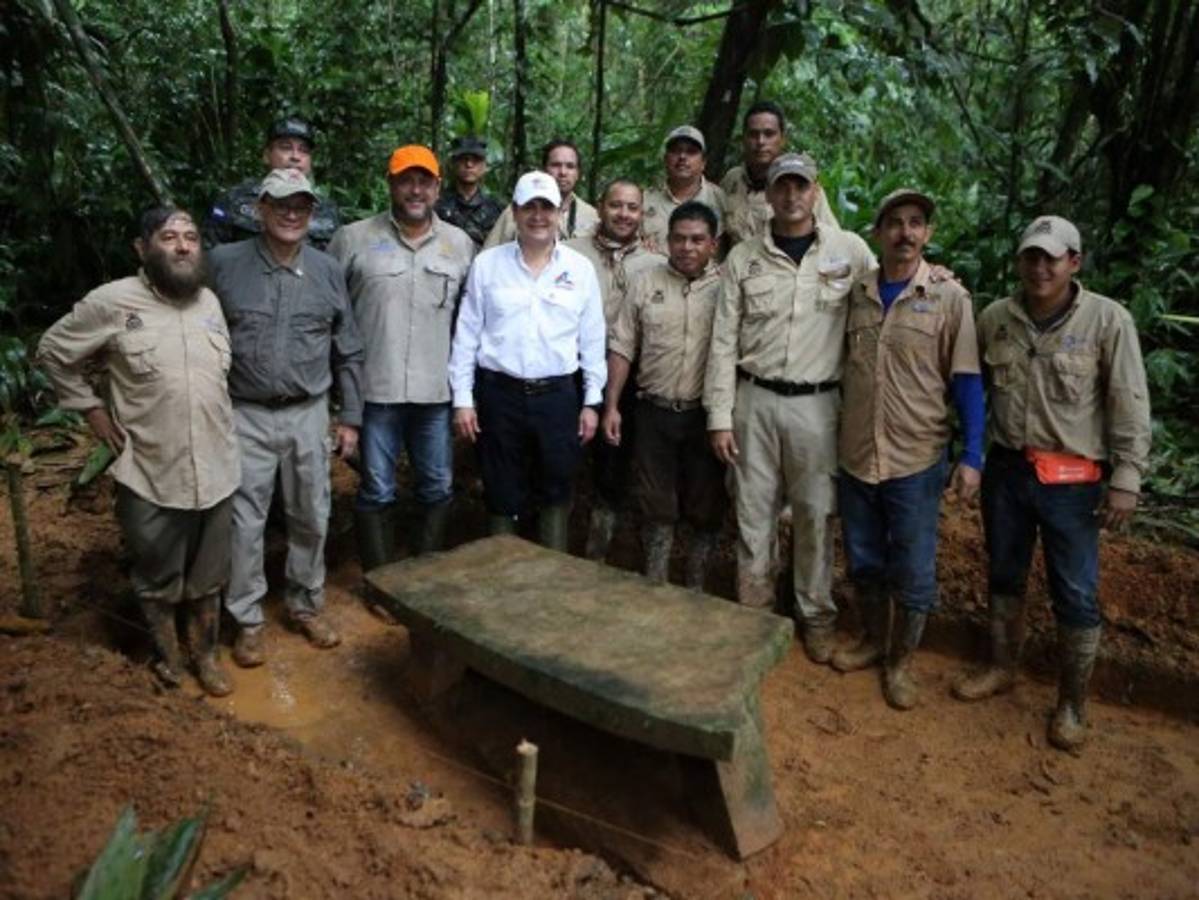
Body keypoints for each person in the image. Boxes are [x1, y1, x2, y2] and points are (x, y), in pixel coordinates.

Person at [952, 215, 1151, 751]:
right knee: (1004, 572)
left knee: (1076, 590)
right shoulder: (996, 318)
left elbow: (1129, 401)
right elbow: (973, 392)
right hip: (1008, 470)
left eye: (1051, 258)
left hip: (1073, 479)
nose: (1039, 267)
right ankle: (1001, 666)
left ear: (1073, 263)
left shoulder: (1107, 320)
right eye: (1031, 256)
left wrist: (1127, 476)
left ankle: (1073, 703)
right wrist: (969, 454)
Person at [37, 206, 240, 697]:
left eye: (191, 236)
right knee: (156, 578)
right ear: (142, 248)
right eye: (169, 236)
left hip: (217, 467)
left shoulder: (210, 302)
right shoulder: (112, 302)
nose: (183, 245)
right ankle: (169, 661)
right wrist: (91, 409)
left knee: (209, 577)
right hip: (151, 471)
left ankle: (206, 658)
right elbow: (53, 351)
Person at [704, 153, 876, 662]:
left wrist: (934, 279)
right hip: (753, 401)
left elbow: (889, 289)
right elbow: (723, 341)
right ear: (770, 195)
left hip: (819, 406)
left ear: (815, 191)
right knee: (752, 511)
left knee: (816, 514)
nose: (792, 195)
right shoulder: (745, 258)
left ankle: (815, 615)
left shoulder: (849, 251)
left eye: (801, 186)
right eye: (783, 186)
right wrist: (719, 416)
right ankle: (755, 611)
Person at [833, 188, 983, 709]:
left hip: (915, 457)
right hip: (857, 452)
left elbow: (967, 380)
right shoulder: (857, 293)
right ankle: (873, 639)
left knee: (914, 568)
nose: (905, 232)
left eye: (916, 222)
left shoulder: (949, 298)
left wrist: (973, 455)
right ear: (878, 233)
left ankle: (900, 662)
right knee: (864, 557)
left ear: (928, 233)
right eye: (894, 222)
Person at [208, 169, 364, 667]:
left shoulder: (327, 270)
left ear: (312, 213)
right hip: (244, 413)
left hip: (307, 412)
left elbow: (348, 348)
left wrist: (350, 417)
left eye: (301, 206)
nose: (291, 214)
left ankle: (305, 604)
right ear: (261, 208)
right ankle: (247, 620)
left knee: (311, 514)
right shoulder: (224, 264)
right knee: (243, 522)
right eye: (280, 204)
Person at [328, 146, 475, 573]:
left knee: (438, 486)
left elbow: (472, 322)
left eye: (424, 182)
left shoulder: (459, 244)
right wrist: (340, 396)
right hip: (376, 391)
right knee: (377, 489)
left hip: (435, 393)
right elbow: (332, 316)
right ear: (390, 184)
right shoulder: (352, 239)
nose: (415, 190)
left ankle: (424, 577)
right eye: (405, 180)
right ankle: (380, 579)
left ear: (438, 187)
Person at [449, 170, 606, 550]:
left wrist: (592, 401)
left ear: (559, 213)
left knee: (556, 487)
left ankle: (551, 573)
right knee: (501, 488)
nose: (538, 216)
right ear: (515, 212)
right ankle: (500, 570)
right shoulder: (488, 265)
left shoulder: (579, 269)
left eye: (546, 208)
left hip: (557, 397)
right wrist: (463, 399)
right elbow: (466, 335)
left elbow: (592, 339)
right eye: (529, 207)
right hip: (499, 395)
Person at [605, 201, 726, 587]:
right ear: (667, 240)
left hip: (705, 414)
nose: (687, 247)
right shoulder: (646, 282)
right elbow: (623, 345)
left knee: (705, 503)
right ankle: (656, 583)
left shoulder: (726, 288)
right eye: (679, 239)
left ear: (713, 244)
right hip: (653, 411)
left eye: (697, 240)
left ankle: (696, 587)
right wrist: (611, 405)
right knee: (656, 503)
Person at [566, 178, 659, 559]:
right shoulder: (569, 253)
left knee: (614, 460)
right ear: (601, 207)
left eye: (632, 207)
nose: (624, 214)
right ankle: (553, 538)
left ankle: (599, 549)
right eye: (616, 205)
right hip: (571, 370)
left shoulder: (656, 264)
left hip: (627, 375)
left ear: (641, 213)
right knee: (564, 454)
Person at [204, 115, 341, 250]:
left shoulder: (327, 210)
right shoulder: (234, 200)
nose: (295, 157)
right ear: (266, 155)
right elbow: (210, 256)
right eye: (286, 147)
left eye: (303, 150)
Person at [719, 101, 836, 247]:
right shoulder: (732, 180)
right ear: (744, 139)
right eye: (753, 134)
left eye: (769, 134)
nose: (760, 141)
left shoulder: (803, 187)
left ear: (782, 140)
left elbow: (832, 240)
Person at [483, 139, 599, 247]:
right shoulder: (519, 211)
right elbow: (490, 253)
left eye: (570, 166)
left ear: (578, 173)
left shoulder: (591, 216)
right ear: (544, 170)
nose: (563, 172)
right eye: (556, 165)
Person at [641, 126, 727, 254]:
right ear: (665, 159)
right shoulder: (645, 200)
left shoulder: (720, 199)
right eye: (676, 151)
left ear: (703, 162)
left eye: (691, 152)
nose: (682, 157)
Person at [434, 135, 504, 247]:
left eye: (476, 160)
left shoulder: (496, 209)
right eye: (463, 159)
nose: (469, 165)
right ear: (453, 163)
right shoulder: (437, 205)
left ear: (484, 166)